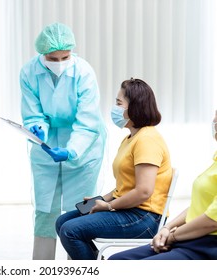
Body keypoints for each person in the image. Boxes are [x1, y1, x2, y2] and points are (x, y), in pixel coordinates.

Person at [56, 78, 172, 260]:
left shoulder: (147, 140)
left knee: (70, 230)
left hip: (145, 217)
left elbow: (143, 191)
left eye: (119, 103)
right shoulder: (131, 138)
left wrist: (109, 206)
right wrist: (101, 200)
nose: (114, 108)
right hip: (130, 209)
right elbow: (124, 187)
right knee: (63, 221)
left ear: (135, 107)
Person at [19, 22, 107, 259]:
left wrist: (72, 151)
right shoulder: (29, 72)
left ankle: (80, 265)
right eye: (52, 58)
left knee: (82, 208)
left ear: (72, 52)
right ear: (42, 54)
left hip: (85, 148)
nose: (59, 63)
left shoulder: (84, 72)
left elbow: (87, 121)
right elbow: (33, 112)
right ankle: (41, 266)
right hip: (45, 149)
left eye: (64, 57)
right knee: (44, 209)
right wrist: (37, 128)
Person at [108, 111, 217, 260]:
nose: (214, 124)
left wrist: (173, 236)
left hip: (206, 245)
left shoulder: (147, 140)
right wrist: (167, 228)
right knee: (116, 260)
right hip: (190, 237)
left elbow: (211, 221)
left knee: (72, 230)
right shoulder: (214, 162)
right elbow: (199, 207)